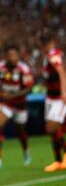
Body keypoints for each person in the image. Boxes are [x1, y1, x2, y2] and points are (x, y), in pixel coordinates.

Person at [0, 45, 34, 171]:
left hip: (20, 105)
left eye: (15, 55)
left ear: (18, 56)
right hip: (5, 103)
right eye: (10, 56)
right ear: (6, 57)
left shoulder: (24, 69)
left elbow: (29, 89)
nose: (13, 58)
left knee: (20, 131)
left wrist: (11, 96)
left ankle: (26, 151)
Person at [42, 37, 66, 172]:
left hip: (58, 98)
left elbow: (61, 71)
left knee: (52, 128)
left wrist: (63, 92)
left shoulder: (53, 54)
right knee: (53, 130)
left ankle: (62, 158)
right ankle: (59, 160)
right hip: (50, 97)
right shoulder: (47, 56)